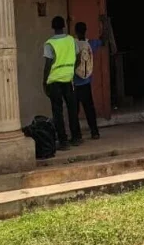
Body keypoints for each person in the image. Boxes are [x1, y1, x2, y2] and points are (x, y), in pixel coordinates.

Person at [43, 16, 81, 150]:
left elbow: (48, 65)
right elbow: (78, 58)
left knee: (57, 111)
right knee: (72, 109)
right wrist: (71, 69)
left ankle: (63, 141)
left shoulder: (49, 43)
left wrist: (44, 82)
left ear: (53, 27)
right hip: (69, 79)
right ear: (64, 26)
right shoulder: (71, 40)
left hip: (54, 81)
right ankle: (76, 138)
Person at [74, 18, 109, 140]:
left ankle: (76, 135)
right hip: (86, 82)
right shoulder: (90, 44)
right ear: (85, 31)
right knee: (89, 108)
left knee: (74, 110)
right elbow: (103, 41)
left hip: (74, 83)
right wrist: (104, 25)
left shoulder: (73, 44)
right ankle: (94, 132)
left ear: (75, 31)